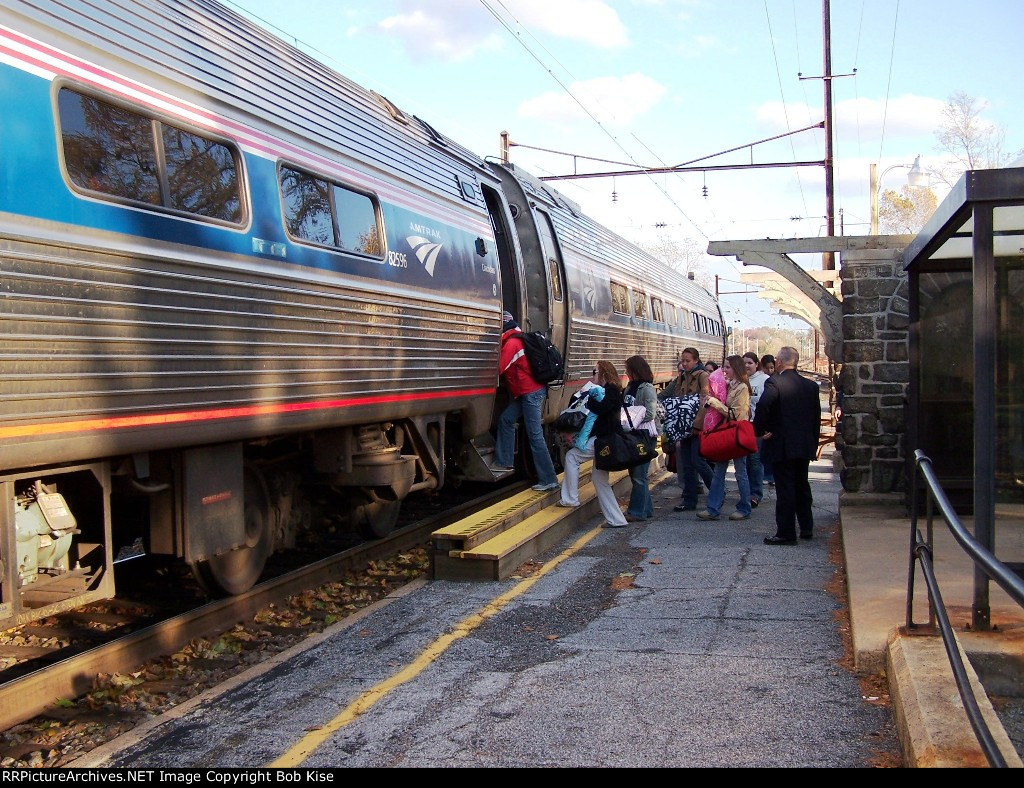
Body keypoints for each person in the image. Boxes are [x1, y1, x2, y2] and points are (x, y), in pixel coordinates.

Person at [752, 346, 822, 545]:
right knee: (802, 485)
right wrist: (813, 443)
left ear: (780, 362)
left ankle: (786, 532)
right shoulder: (811, 387)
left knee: (785, 489)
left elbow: (764, 406)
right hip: (804, 445)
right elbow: (815, 418)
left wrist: (760, 430)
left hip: (782, 445)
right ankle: (807, 527)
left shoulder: (775, 382)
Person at [494, 310, 560, 492]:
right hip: (528, 393)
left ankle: (549, 479)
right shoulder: (517, 338)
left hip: (531, 394)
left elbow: (499, 369)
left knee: (535, 436)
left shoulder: (512, 344)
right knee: (506, 420)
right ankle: (504, 461)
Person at [558, 360, 629, 528]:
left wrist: (589, 397)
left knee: (572, 456)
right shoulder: (610, 390)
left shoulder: (610, 390)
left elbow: (601, 409)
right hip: (604, 441)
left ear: (603, 373)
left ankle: (570, 499)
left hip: (605, 441)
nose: (592, 375)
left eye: (594, 372)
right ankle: (617, 520)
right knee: (599, 480)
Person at [698, 355, 753, 521]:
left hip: (736, 434)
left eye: (727, 367)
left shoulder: (742, 388)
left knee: (740, 472)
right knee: (719, 471)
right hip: (727, 433)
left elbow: (735, 414)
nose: (724, 370)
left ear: (736, 369)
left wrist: (714, 402)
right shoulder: (730, 385)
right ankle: (713, 508)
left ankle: (744, 507)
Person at [659, 348, 714, 512]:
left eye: (687, 361)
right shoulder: (681, 377)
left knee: (698, 460)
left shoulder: (703, 376)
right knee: (687, 463)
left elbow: (706, 399)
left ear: (696, 361)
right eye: (683, 360)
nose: (684, 363)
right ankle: (689, 500)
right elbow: (674, 397)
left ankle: (717, 491)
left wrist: (698, 424)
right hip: (683, 425)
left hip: (696, 426)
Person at [623, 355, 659, 522]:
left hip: (644, 435)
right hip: (633, 434)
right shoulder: (630, 387)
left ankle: (637, 512)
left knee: (639, 475)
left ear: (635, 370)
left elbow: (651, 413)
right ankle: (647, 509)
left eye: (628, 369)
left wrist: (631, 418)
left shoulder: (647, 388)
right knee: (636, 475)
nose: (626, 372)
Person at [743, 352, 768, 508]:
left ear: (756, 364)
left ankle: (756, 494)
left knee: (755, 460)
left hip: (757, 424)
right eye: (744, 363)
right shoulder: (740, 380)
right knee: (744, 460)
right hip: (743, 424)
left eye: (750, 363)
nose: (747, 366)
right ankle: (746, 492)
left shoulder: (764, 380)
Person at [759, 353, 777, 487]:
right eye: (767, 368)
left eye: (772, 368)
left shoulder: (775, 381)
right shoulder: (763, 380)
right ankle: (766, 474)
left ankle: (770, 475)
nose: (770, 371)